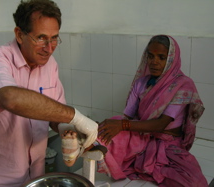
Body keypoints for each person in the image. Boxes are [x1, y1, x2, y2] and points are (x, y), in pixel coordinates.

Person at [0, 0, 97, 186]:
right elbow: (10, 98)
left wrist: (68, 130)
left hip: (33, 175)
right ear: (19, 35)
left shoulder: (50, 66)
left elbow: (54, 114)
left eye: (54, 38)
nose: (49, 48)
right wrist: (76, 117)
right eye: (41, 38)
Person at [61, 35, 208, 186]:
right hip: (141, 137)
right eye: (150, 56)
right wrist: (109, 126)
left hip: (167, 143)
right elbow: (127, 117)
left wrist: (122, 125)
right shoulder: (141, 83)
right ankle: (87, 139)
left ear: (171, 59)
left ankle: (87, 141)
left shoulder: (182, 85)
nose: (154, 62)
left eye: (161, 57)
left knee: (193, 181)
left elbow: (161, 125)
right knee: (116, 122)